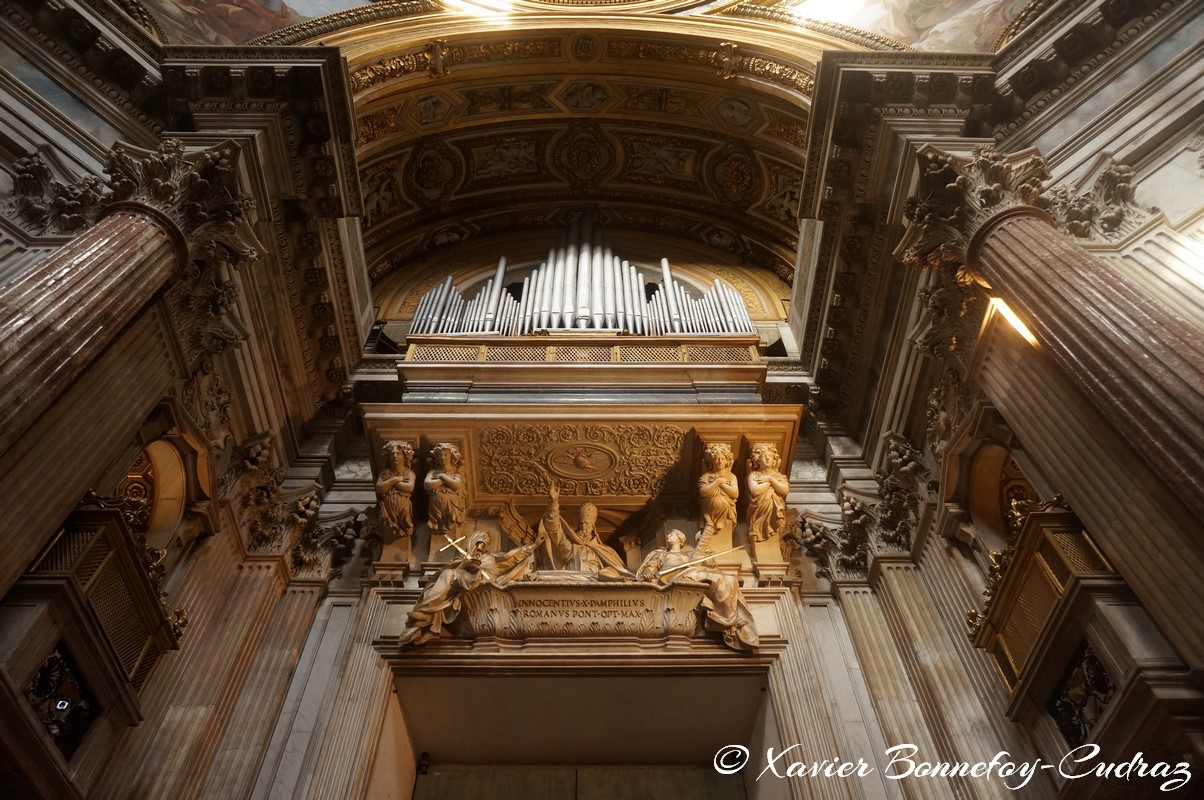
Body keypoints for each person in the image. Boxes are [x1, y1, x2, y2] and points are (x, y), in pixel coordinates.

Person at [400, 531, 540, 645]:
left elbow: (512, 558)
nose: (481, 546)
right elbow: (457, 567)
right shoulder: (461, 559)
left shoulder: (491, 558)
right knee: (447, 575)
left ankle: (425, 613)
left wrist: (533, 546)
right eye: (479, 542)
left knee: (450, 576)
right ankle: (425, 616)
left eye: (484, 543)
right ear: (473, 543)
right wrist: (466, 564)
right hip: (465, 578)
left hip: (483, 582)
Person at [637, 529, 758, 651]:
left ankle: (726, 616)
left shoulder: (689, 555)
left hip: (690, 574)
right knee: (717, 578)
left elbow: (706, 563)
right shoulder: (662, 554)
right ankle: (730, 619)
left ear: (680, 539)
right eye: (668, 535)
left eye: (672, 534)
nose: (668, 536)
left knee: (731, 580)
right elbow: (650, 568)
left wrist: (708, 559)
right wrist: (648, 573)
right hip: (671, 577)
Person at [537, 482, 631, 579]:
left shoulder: (605, 550)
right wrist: (553, 502)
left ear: (592, 527)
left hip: (594, 580)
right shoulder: (569, 544)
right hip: (572, 578)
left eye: (587, 523)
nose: (583, 526)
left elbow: (619, 569)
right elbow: (553, 527)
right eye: (581, 523)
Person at [697, 442, 738, 552]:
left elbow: (735, 494)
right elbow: (704, 492)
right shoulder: (705, 476)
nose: (719, 461)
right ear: (711, 461)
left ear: (727, 461)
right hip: (709, 514)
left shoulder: (731, 476)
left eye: (722, 458)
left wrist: (722, 484)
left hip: (726, 513)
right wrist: (718, 482)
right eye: (716, 459)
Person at [746, 443, 789, 543]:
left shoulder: (778, 475)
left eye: (770, 456)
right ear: (757, 460)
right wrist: (771, 483)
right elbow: (755, 491)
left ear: (774, 461)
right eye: (764, 456)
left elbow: (785, 489)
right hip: (759, 509)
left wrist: (769, 479)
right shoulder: (754, 474)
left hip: (774, 509)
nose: (767, 458)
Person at [376, 441, 415, 542]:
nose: (395, 456)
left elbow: (409, 488)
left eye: (398, 453)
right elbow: (380, 488)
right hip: (387, 509)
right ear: (388, 456)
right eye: (392, 454)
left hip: (403, 508)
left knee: (405, 528)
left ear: (404, 456)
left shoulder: (409, 473)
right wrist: (395, 479)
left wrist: (390, 482)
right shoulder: (385, 473)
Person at [425, 442, 466, 538]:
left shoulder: (456, 473)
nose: (443, 457)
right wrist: (445, 481)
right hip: (435, 510)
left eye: (446, 455)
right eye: (440, 455)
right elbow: (427, 485)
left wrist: (442, 477)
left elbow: (456, 485)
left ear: (451, 457)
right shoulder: (433, 472)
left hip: (451, 507)